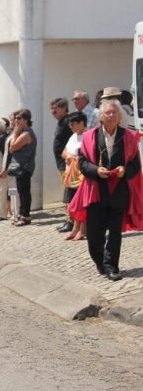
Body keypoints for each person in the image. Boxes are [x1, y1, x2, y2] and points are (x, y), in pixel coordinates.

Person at [70, 100, 143, 281]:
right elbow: (82, 163)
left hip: (119, 191)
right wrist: (96, 171)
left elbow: (136, 165)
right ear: (101, 116)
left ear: (119, 116)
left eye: (114, 112)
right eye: (107, 112)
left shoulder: (128, 137)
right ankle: (100, 262)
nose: (111, 115)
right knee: (94, 234)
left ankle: (112, 266)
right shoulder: (90, 136)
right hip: (96, 191)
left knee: (115, 232)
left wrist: (125, 170)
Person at [7, 109, 37, 226]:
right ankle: (21, 213)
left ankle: (26, 216)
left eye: (18, 118)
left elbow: (12, 148)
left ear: (26, 119)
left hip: (25, 166)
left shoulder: (26, 134)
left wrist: (15, 132)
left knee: (24, 192)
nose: (16, 120)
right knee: (21, 191)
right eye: (15, 118)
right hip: (20, 166)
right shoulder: (22, 132)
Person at [61, 111, 87, 241]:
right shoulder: (73, 137)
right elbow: (64, 152)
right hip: (72, 175)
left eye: (72, 124)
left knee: (82, 203)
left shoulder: (87, 136)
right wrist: (69, 156)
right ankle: (75, 228)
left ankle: (82, 230)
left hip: (82, 175)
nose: (70, 126)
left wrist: (75, 158)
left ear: (81, 123)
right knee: (73, 203)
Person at [50, 98, 74, 233]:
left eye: (55, 108)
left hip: (67, 163)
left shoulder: (67, 122)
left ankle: (70, 221)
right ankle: (69, 219)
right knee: (66, 192)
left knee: (68, 193)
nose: (52, 111)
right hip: (61, 163)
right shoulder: (61, 122)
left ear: (64, 108)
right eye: (51, 109)